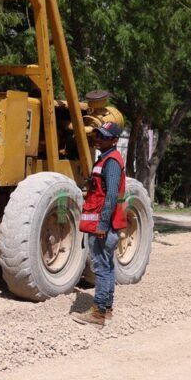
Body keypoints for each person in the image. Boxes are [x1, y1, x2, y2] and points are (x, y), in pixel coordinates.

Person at [71, 121, 127, 327]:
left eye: (103, 136)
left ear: (114, 140)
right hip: (106, 223)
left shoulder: (111, 161)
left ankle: (98, 313)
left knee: (101, 267)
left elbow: (111, 195)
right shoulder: (105, 159)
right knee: (107, 265)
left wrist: (102, 225)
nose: (98, 138)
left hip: (104, 225)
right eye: (98, 134)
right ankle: (107, 309)